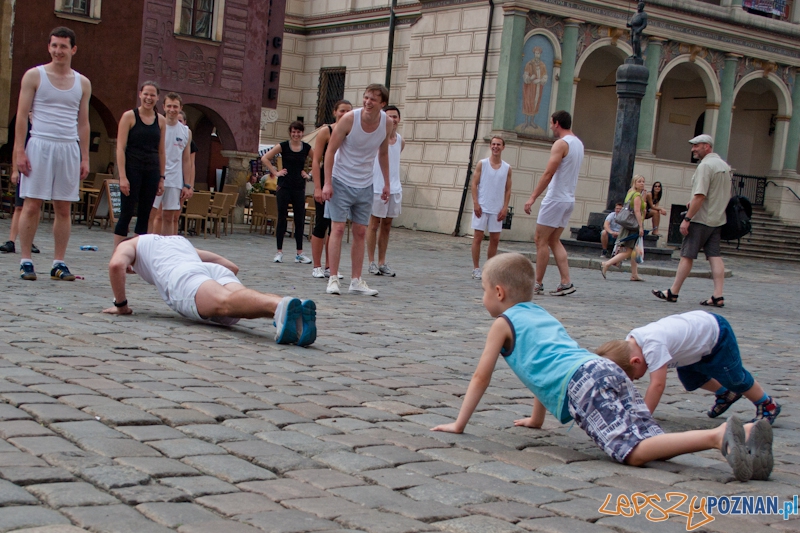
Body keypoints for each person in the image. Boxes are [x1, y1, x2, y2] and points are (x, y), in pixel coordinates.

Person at [430, 253, 774, 483]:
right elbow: (545, 366)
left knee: (633, 452)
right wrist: (537, 419)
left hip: (583, 384)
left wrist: (459, 424)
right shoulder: (541, 314)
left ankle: (717, 437)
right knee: (651, 440)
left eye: (483, 290)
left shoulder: (502, 324)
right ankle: (746, 436)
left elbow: (482, 376)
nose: (483, 297)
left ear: (499, 292)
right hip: (603, 367)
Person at [102, 234, 317, 347]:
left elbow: (116, 265)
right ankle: (293, 313)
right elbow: (230, 266)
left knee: (225, 303)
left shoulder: (131, 244)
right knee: (234, 302)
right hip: (210, 269)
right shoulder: (175, 241)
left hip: (182, 276)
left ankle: (279, 306)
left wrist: (121, 306)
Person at [596, 311, 781, 425]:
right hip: (693, 348)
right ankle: (726, 393)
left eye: (635, 377)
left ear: (636, 361)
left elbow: (657, 385)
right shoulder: (630, 344)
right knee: (691, 379)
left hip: (716, 335)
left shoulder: (652, 346)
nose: (636, 379)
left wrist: (642, 417)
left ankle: (767, 403)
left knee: (734, 377)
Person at [14, 26, 91, 281]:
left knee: (63, 208)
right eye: (54, 45)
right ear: (49, 47)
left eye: (63, 46)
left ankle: (59, 262)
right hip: (40, 144)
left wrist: (85, 156)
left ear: (73, 49)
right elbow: (21, 117)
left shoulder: (82, 83)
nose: (58, 51)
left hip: (68, 147)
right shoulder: (34, 76)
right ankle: (26, 260)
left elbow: (83, 123)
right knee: (32, 204)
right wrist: (19, 151)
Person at [322, 84, 393, 297]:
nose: (368, 102)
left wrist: (386, 183)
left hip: (365, 183)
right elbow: (330, 151)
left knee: (361, 231)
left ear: (382, 103)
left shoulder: (386, 123)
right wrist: (327, 183)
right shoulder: (349, 119)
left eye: (373, 99)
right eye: (366, 97)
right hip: (341, 179)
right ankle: (333, 278)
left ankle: (356, 280)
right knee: (337, 229)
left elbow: (383, 153)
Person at [653, 135, 730, 307]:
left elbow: (700, 195)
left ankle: (673, 291)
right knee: (715, 256)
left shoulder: (705, 166)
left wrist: (687, 218)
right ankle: (718, 295)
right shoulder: (724, 166)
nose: (693, 149)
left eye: (696, 146)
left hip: (700, 219)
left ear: (706, 146)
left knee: (687, 255)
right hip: (717, 219)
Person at [523, 110, 583, 296]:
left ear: (557, 123)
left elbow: (548, 173)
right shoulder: (578, 143)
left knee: (540, 240)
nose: (550, 126)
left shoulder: (561, 144)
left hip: (556, 198)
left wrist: (533, 197)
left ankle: (537, 283)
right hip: (568, 199)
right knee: (553, 240)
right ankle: (566, 281)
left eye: (551, 123)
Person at [113, 81, 166, 249]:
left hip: (152, 170)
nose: (149, 98)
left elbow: (161, 151)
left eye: (152, 95)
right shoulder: (129, 116)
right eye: (146, 94)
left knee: (145, 214)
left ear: (157, 98)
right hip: (132, 169)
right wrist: (122, 176)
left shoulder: (161, 120)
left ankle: (138, 253)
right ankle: (118, 253)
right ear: (140, 94)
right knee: (127, 212)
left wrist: (162, 178)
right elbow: (120, 148)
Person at [261, 121, 313, 264]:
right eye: (294, 132)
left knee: (299, 219)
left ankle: (299, 253)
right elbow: (265, 158)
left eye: (299, 132)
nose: (296, 134)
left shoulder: (306, 148)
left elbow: (318, 161)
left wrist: (309, 174)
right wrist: (275, 172)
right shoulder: (283, 146)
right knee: (282, 218)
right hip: (284, 186)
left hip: (299, 187)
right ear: (290, 133)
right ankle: (279, 252)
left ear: (302, 133)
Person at [311, 100, 351, 279]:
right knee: (321, 223)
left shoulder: (352, 132)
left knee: (335, 226)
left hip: (342, 181)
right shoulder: (326, 131)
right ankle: (317, 265)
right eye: (342, 110)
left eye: (348, 111)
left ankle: (330, 266)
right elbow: (316, 160)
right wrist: (317, 187)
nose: (345, 114)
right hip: (325, 179)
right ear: (335, 112)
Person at [367, 105, 405, 278]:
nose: (393, 120)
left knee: (387, 226)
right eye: (389, 116)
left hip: (394, 188)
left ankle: (382, 262)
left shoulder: (400, 140)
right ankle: (371, 261)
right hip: (377, 187)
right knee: (374, 224)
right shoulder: (377, 137)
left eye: (395, 116)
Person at [149, 92, 192, 236]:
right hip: (156, 175)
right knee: (152, 213)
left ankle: (168, 246)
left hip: (175, 179)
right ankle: (150, 244)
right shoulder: (156, 125)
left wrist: (187, 184)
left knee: (169, 216)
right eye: (169, 106)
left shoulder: (186, 132)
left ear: (180, 108)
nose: (172, 110)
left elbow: (186, 159)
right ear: (163, 107)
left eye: (175, 106)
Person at [470, 136, 512, 280]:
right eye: (493, 144)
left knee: (495, 239)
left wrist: (505, 207)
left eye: (498, 144)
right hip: (482, 206)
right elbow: (474, 184)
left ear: (503, 147)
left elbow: (508, 189)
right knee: (478, 237)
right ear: (490, 146)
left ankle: (489, 269)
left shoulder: (507, 168)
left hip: (497, 208)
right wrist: (476, 202)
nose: (495, 147)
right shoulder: (482, 164)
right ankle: (476, 268)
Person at [2, 119, 40, 255]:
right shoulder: (26, 125)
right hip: (24, 170)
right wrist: (14, 170)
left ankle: (29, 241)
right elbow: (17, 148)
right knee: (19, 207)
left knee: (35, 207)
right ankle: (11, 240)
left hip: (38, 170)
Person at [600, 175, 646, 282]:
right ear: (634, 183)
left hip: (628, 224)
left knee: (634, 250)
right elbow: (637, 211)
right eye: (639, 181)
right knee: (629, 251)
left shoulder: (630, 192)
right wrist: (640, 227)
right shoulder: (637, 195)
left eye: (643, 181)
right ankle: (606, 263)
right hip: (633, 225)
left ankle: (634, 274)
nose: (642, 183)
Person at [522, 47, 548, 128]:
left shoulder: (542, 65)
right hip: (529, 87)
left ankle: (532, 121)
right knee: (528, 102)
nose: (537, 55)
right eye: (536, 53)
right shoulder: (529, 64)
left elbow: (545, 76)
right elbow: (525, 75)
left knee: (536, 102)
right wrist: (530, 78)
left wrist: (540, 80)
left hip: (538, 87)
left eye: (538, 53)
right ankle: (526, 121)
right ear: (534, 54)